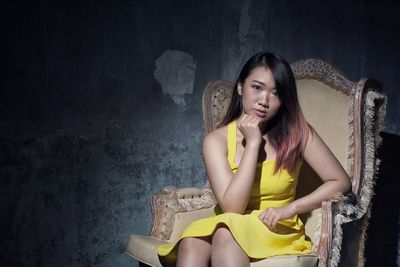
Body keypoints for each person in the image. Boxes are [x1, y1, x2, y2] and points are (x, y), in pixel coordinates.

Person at [157, 52, 351, 267]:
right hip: (228, 221)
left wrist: (292, 208)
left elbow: (340, 182)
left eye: (275, 93)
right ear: (240, 88)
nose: (264, 101)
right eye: (257, 88)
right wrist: (253, 144)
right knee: (192, 242)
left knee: (226, 234)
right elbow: (233, 208)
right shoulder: (216, 141)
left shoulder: (298, 134)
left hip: (274, 227)